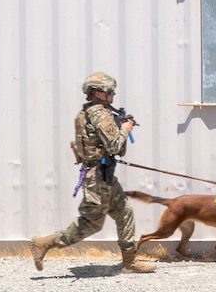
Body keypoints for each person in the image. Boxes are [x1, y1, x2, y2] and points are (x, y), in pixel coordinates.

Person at [30, 72, 154, 274]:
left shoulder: (94, 111)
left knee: (125, 212)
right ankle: (44, 243)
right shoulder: (99, 114)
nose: (113, 95)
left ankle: (129, 262)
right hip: (98, 178)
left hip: (104, 175)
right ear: (97, 92)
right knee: (91, 223)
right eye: (110, 92)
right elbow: (113, 146)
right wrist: (125, 129)